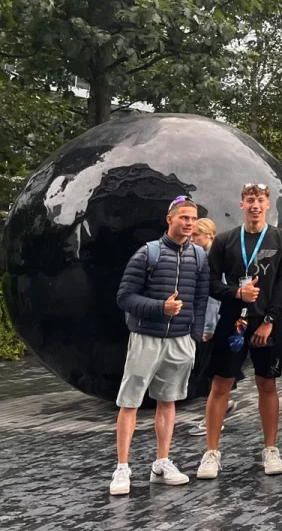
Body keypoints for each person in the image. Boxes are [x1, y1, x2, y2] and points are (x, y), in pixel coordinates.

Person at [198, 184, 282, 481]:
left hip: (267, 323)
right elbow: (209, 282)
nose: (255, 205)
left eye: (261, 200)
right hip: (233, 322)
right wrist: (236, 293)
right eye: (250, 200)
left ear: (268, 205)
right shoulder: (225, 240)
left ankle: (271, 449)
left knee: (267, 385)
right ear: (241, 204)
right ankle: (211, 452)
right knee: (220, 385)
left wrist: (270, 320)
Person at [110, 196, 208, 496]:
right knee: (130, 403)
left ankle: (161, 463)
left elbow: (201, 298)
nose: (189, 223)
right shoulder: (147, 253)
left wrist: (194, 334)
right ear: (170, 219)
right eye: (183, 217)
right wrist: (160, 308)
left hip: (180, 341)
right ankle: (122, 468)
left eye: (193, 218)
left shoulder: (199, 257)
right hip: (146, 337)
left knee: (168, 402)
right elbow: (124, 297)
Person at [186, 218, 234, 436]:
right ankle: (220, 409)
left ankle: (213, 420)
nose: (192, 239)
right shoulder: (207, 257)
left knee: (208, 373)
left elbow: (214, 297)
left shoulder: (211, 260)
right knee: (212, 373)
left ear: (208, 235)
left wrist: (208, 327)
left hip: (212, 325)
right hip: (209, 323)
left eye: (196, 235)